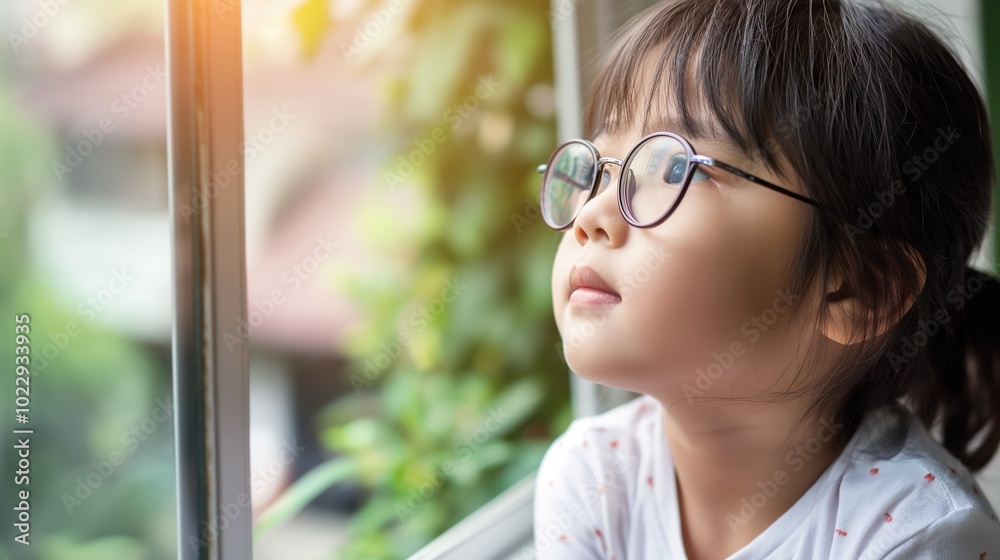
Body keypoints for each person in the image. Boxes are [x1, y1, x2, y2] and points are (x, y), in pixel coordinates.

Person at [531, 0, 1000, 558]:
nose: (590, 216)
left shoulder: (915, 536)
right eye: (600, 168)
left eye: (676, 167)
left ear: (855, 289)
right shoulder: (593, 480)